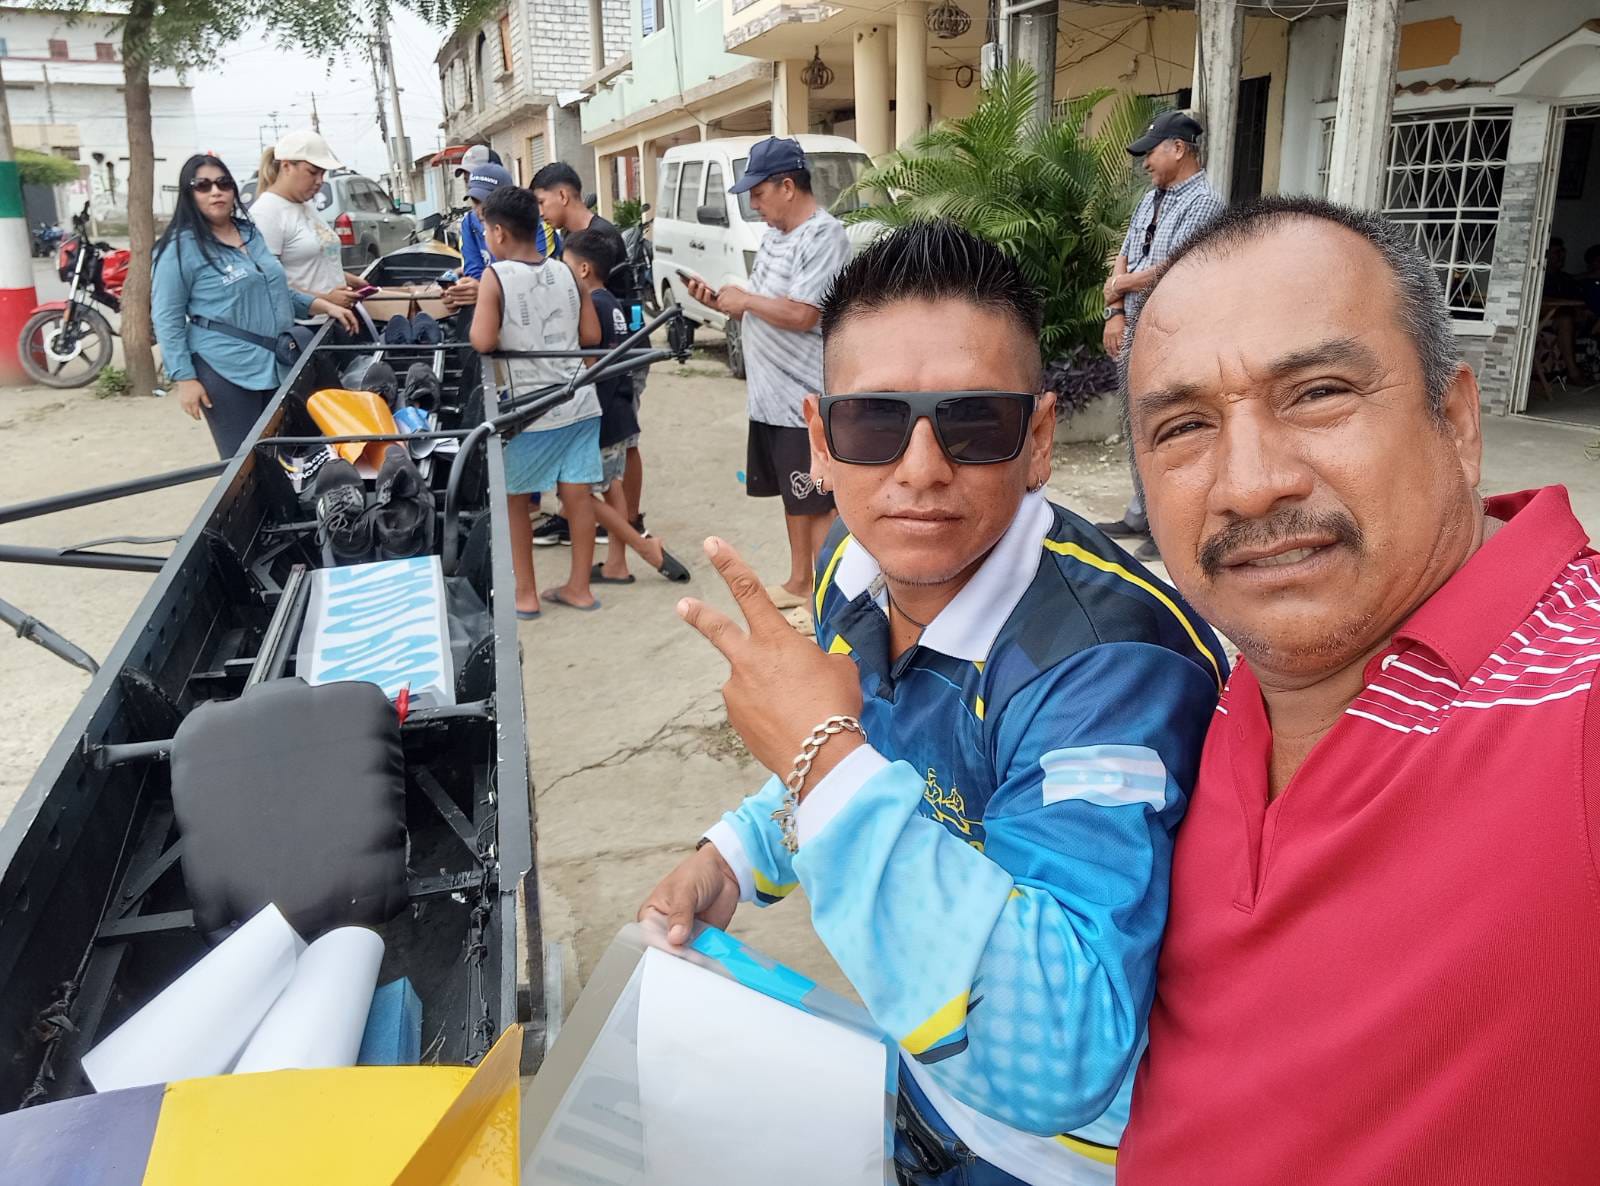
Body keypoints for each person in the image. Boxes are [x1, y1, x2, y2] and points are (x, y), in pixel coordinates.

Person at [641, 221, 1224, 1185]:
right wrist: (735, 858)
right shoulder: (854, 566)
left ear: (1038, 440)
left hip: (1060, 1157)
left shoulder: (1109, 666)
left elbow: (1064, 1048)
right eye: (874, 423)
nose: (918, 469)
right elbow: (873, 755)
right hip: (912, 1069)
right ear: (821, 440)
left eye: (973, 423)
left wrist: (817, 755)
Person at [1114, 196, 1600, 1183]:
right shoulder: (1201, 699)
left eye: (1317, 393)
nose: (1249, 484)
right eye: (1185, 426)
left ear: (1455, 420)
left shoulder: (1571, 689)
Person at [681, 137, 851, 610]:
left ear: (788, 186)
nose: (753, 205)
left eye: (758, 193)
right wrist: (724, 302)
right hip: (770, 397)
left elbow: (804, 313)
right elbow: (766, 305)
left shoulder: (824, 236)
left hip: (804, 397)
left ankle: (824, 603)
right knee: (793, 498)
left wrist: (747, 300)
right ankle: (799, 582)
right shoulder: (776, 236)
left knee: (817, 502)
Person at [152, 153, 355, 457]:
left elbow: (274, 289)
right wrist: (185, 378)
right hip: (225, 369)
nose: (216, 192)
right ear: (188, 193)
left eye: (223, 183)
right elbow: (167, 317)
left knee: (289, 455)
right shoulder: (178, 249)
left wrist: (324, 305)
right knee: (244, 463)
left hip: (277, 361)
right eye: (203, 186)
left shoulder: (248, 232)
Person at [467, 185, 605, 617]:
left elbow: (482, 341)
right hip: (580, 403)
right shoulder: (567, 271)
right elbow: (591, 336)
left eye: (486, 231)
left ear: (499, 233)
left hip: (531, 412)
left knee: (515, 501)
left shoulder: (495, 277)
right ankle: (579, 588)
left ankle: (525, 595)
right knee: (577, 497)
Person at [1096, 110, 1225, 561]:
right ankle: (1139, 513)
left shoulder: (1204, 203)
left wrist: (1121, 284)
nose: (1146, 162)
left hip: (1174, 335)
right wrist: (1115, 312)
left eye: (1151, 153)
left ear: (1178, 149)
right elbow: (1125, 254)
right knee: (1135, 421)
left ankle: (1164, 524)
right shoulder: (1151, 198)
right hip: (1134, 328)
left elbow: (1177, 268)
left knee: (1168, 426)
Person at [561, 226, 691, 586]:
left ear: (583, 269)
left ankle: (644, 548)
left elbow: (592, 367)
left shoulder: (593, 306)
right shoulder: (611, 303)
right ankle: (616, 564)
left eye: (565, 265)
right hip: (618, 411)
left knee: (574, 492)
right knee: (611, 487)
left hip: (601, 415)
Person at [531, 161, 647, 546]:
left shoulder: (601, 237)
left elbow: (607, 306)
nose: (541, 212)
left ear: (563, 195)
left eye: (543, 202)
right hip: (604, 350)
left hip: (622, 349)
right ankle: (576, 518)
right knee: (609, 437)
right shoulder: (570, 239)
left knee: (624, 436)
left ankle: (630, 522)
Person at [249, 130, 369, 312]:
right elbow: (267, 285)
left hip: (336, 317)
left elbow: (311, 265)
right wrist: (326, 300)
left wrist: (349, 280)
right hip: (304, 325)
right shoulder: (266, 213)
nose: (319, 181)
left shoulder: (305, 205)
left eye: (322, 173)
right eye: (312, 172)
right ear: (286, 166)